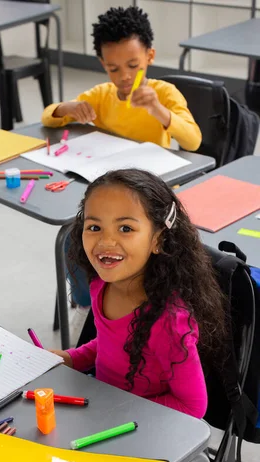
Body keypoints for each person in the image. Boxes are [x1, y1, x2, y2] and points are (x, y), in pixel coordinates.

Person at [42, 6, 202, 335]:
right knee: (71, 241)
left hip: (151, 200)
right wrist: (66, 108)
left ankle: (128, 310)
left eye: (133, 65)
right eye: (114, 68)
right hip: (110, 198)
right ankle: (90, 308)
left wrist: (158, 111)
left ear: (150, 56)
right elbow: (48, 117)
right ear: (102, 65)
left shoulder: (164, 93)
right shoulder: (101, 96)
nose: (125, 76)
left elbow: (194, 140)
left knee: (130, 247)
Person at [50, 169, 226, 418]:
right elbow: (113, 344)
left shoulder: (168, 321)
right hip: (104, 407)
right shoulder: (102, 284)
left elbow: (192, 407)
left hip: (139, 427)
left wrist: (123, 409)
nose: (106, 241)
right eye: (94, 226)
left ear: (158, 240)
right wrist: (72, 358)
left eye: (125, 228)